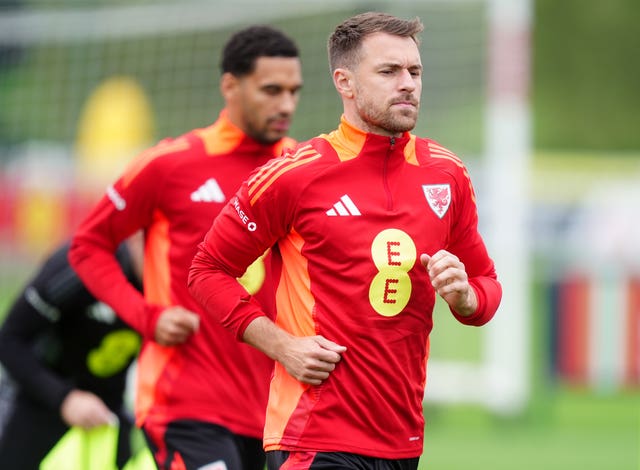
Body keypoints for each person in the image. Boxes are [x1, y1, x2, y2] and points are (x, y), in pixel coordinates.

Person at [188, 12, 502, 470]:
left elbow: (486, 284)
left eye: (414, 71)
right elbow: (207, 271)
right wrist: (282, 345)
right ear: (345, 82)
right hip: (312, 435)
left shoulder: (446, 173)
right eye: (388, 71)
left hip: (401, 439)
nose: (408, 84)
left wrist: (466, 297)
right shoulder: (295, 174)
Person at [68, 25, 303, 470]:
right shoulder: (170, 164)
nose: (286, 105)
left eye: (294, 91)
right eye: (271, 90)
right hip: (185, 404)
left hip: (275, 411)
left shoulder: (299, 169)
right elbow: (88, 246)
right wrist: (146, 317)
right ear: (230, 86)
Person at [0, 239, 142, 469]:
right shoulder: (80, 265)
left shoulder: (177, 281)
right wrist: (65, 399)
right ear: (138, 238)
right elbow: (10, 340)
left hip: (106, 415)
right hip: (39, 398)